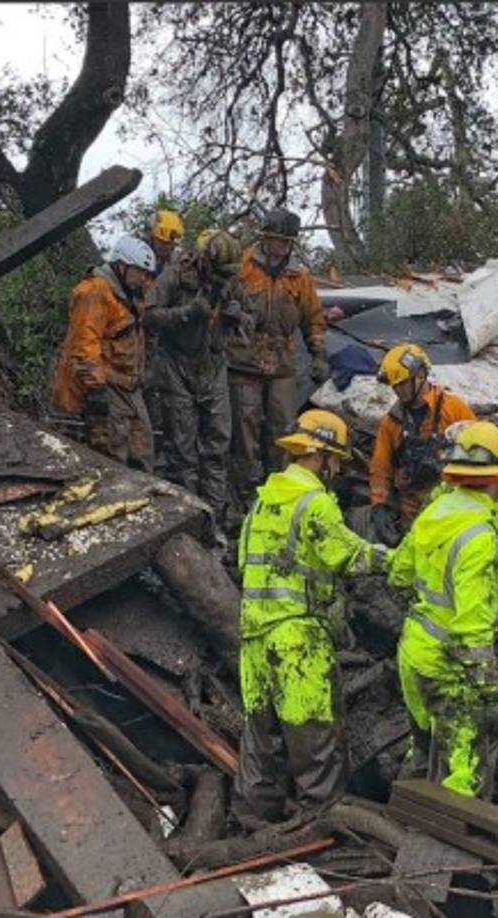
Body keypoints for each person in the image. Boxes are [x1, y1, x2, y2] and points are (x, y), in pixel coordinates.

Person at [234, 409, 393, 822]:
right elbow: (350, 554)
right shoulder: (315, 503)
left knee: (259, 740)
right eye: (336, 460)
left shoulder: (262, 501)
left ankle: (254, 822)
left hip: (254, 637)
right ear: (318, 455)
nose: (338, 469)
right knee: (314, 740)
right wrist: (406, 560)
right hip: (297, 638)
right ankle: (320, 830)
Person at [389, 421, 498, 798]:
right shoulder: (479, 538)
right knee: (462, 780)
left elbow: (398, 574)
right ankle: (441, 855)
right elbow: (472, 633)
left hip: (414, 654)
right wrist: (493, 696)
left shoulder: (435, 512)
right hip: (450, 671)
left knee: (423, 751)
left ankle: (404, 828)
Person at [145, 229, 249, 522]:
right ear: (204, 261)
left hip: (214, 367)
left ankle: (214, 518)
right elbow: (149, 315)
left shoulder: (231, 282)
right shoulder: (175, 275)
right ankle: (187, 518)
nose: (223, 277)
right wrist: (188, 312)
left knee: (217, 447)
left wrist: (238, 316)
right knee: (183, 451)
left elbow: (254, 321)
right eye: (219, 271)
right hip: (176, 367)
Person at [227, 208, 328, 510]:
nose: (279, 247)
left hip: (282, 364)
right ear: (264, 239)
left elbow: (313, 319)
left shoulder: (300, 277)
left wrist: (319, 354)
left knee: (283, 429)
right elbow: (220, 302)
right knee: (245, 432)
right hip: (244, 362)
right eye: (274, 241)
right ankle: (246, 497)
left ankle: (280, 493)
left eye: (285, 242)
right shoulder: (242, 267)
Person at [51, 236, 157, 471]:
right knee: (113, 453)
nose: (144, 279)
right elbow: (84, 346)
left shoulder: (129, 293)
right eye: (140, 272)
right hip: (105, 383)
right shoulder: (95, 291)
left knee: (142, 450)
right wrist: (97, 390)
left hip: (128, 384)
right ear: (122, 266)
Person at [369, 343, 475, 547]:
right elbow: (380, 469)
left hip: (451, 507)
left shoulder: (453, 408)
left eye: (403, 383)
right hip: (412, 512)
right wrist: (379, 506)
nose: (399, 391)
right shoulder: (391, 422)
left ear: (420, 375)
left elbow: (479, 448)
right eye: (395, 386)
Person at [143, 209, 186, 441]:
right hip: (141, 336)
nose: (165, 247)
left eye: (169, 243)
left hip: (167, 340)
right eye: (162, 242)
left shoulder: (178, 264)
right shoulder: (136, 260)